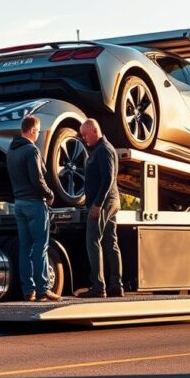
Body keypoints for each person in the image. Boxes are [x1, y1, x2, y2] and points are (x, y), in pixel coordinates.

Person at [6, 115, 61, 302]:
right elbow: (37, 179)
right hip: (34, 204)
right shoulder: (31, 150)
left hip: (19, 204)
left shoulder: (11, 151)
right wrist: (50, 194)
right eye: (37, 131)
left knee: (25, 248)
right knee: (40, 247)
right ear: (31, 130)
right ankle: (43, 290)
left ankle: (28, 291)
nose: (38, 135)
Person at [78, 118, 123, 298]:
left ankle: (98, 287)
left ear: (95, 131)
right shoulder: (101, 149)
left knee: (93, 241)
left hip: (104, 203)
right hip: (110, 200)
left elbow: (108, 178)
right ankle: (116, 286)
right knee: (110, 242)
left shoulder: (103, 149)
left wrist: (97, 204)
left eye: (85, 135)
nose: (83, 138)